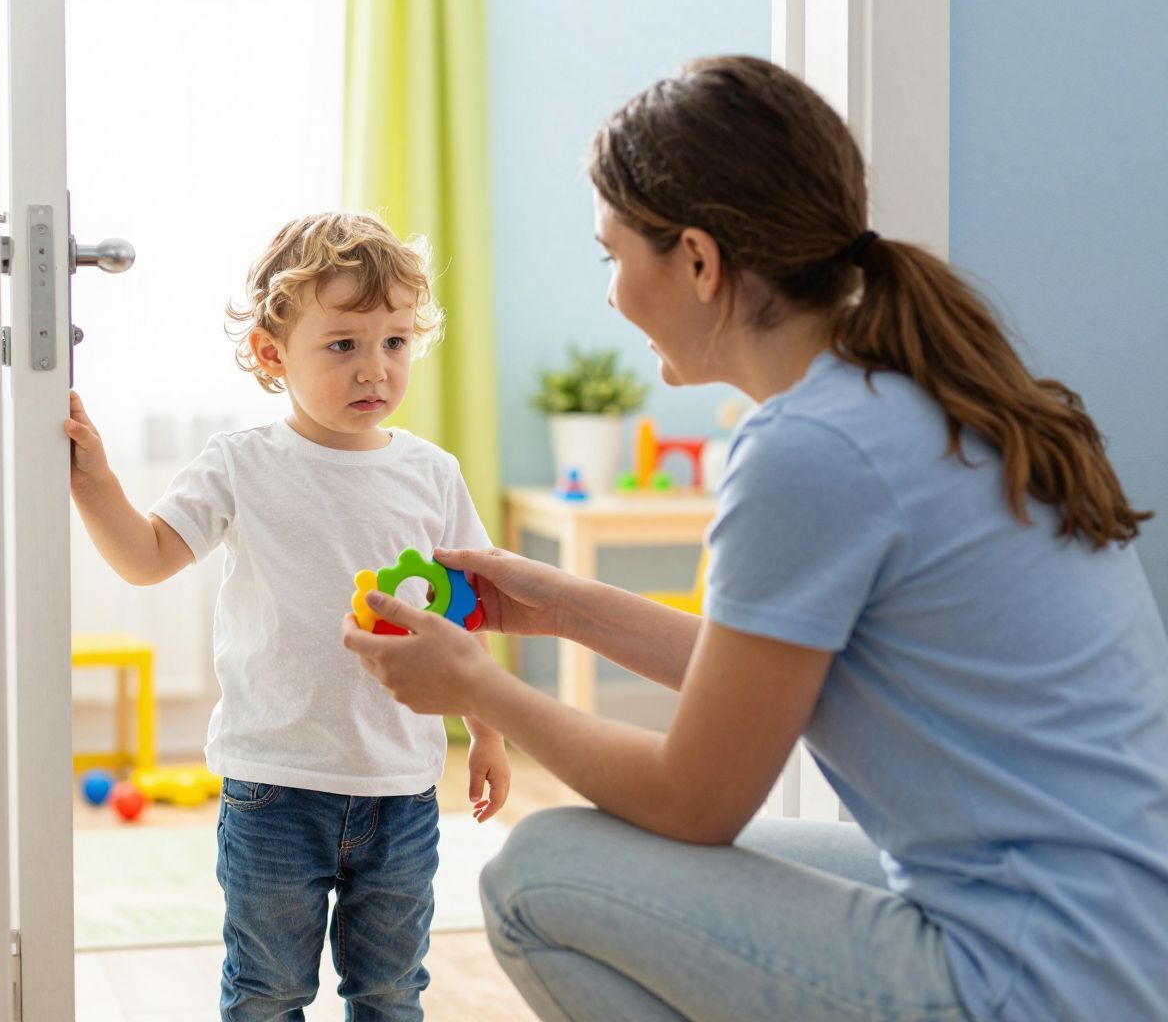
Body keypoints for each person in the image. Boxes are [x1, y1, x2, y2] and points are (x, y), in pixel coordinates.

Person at [342, 56, 1168, 1022]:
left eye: (613, 256)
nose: (610, 295)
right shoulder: (917, 398)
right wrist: (558, 604)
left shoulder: (807, 449)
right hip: (1117, 943)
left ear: (698, 260)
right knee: (664, 856)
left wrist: (478, 687)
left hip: (1035, 978)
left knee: (537, 873)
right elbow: (769, 673)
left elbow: (698, 797)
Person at [66, 211, 510, 1021]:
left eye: (396, 342)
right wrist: (94, 480)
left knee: (389, 990)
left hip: (402, 787)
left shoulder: (432, 474)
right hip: (274, 787)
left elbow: (467, 615)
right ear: (274, 353)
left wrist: (487, 732)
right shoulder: (241, 465)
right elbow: (146, 556)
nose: (375, 368)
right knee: (268, 992)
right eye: (344, 344)